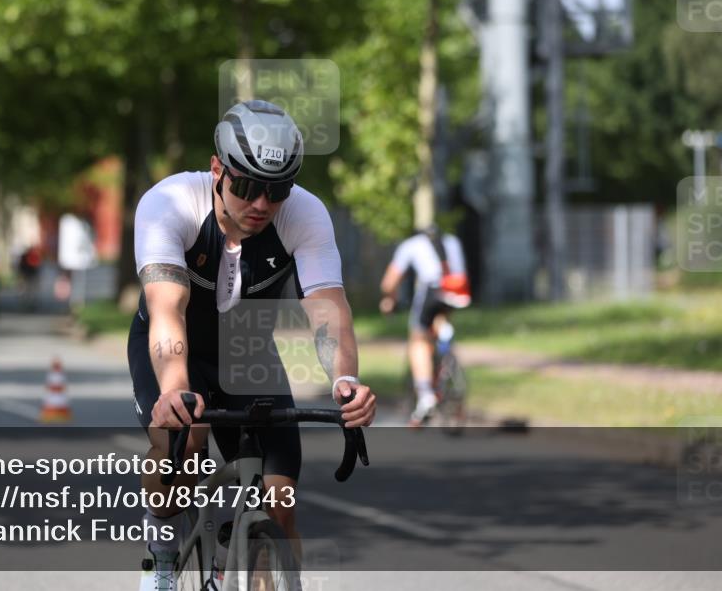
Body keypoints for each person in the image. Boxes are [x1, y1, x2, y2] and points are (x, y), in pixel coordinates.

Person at [129, 99, 376, 590]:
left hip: (247, 352)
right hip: (177, 346)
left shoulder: (305, 214)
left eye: (277, 190)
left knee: (280, 505)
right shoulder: (170, 203)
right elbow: (167, 309)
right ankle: (162, 553)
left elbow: (326, 307)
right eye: (246, 187)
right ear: (218, 169)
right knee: (187, 444)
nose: (261, 204)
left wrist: (345, 379)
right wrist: (176, 389)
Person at [379, 224, 471, 427]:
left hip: (433, 289)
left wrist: (389, 300)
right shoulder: (452, 241)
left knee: (418, 340)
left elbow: (389, 283)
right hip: (458, 288)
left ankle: (425, 395)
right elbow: (459, 272)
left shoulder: (410, 244)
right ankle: (446, 349)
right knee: (440, 323)